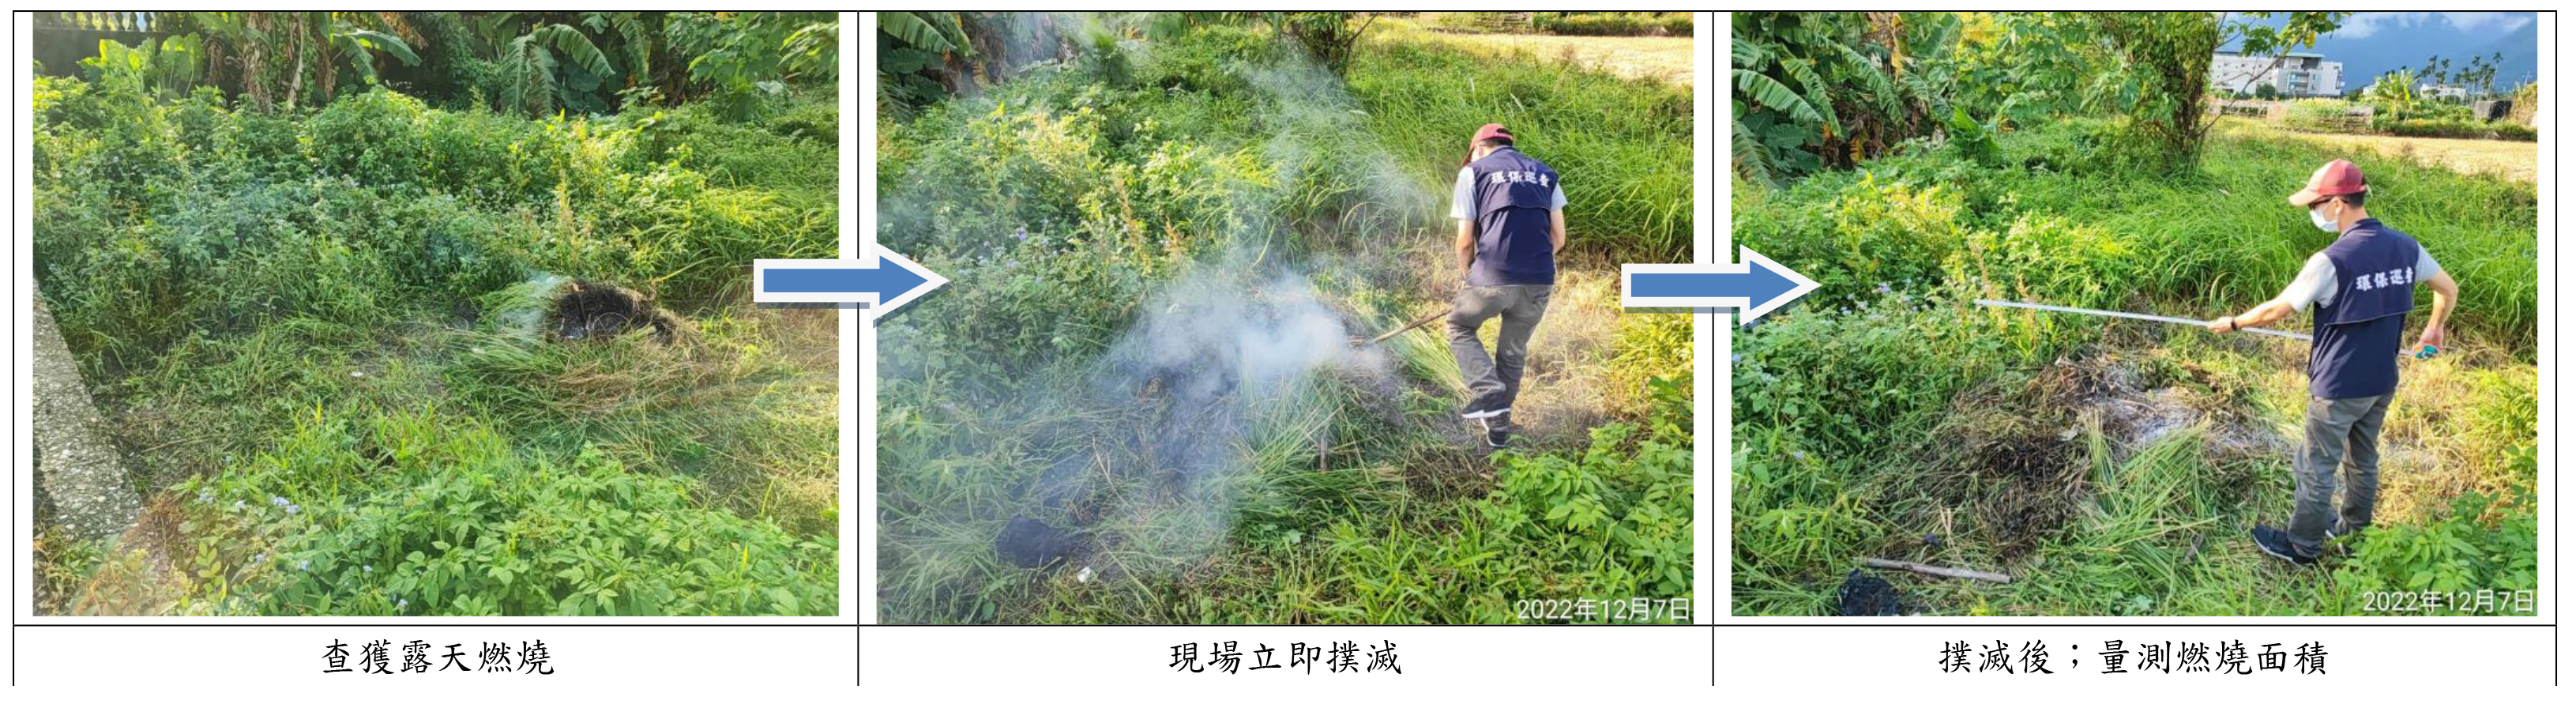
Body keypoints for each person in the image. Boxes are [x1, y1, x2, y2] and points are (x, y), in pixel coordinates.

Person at [2206, 159, 2460, 564]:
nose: (2314, 212)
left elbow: (2278, 310)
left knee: (2315, 466)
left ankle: (2302, 547)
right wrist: (2434, 329)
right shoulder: (2406, 247)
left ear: (2339, 203)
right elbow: (2447, 288)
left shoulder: (2331, 260)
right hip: (2381, 380)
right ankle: (2356, 532)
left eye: (2316, 204)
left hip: (2339, 386)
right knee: (2363, 457)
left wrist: (2234, 322)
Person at [1444, 123, 1566, 449]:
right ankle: (1499, 431)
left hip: (1493, 275)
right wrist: (1530, 265)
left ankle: (1488, 391)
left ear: (1479, 148)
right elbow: (1559, 238)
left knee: (1459, 326)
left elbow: (1465, 241)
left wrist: (1467, 275)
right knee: (1512, 352)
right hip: (1540, 278)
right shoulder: (1546, 174)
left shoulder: (1474, 173)